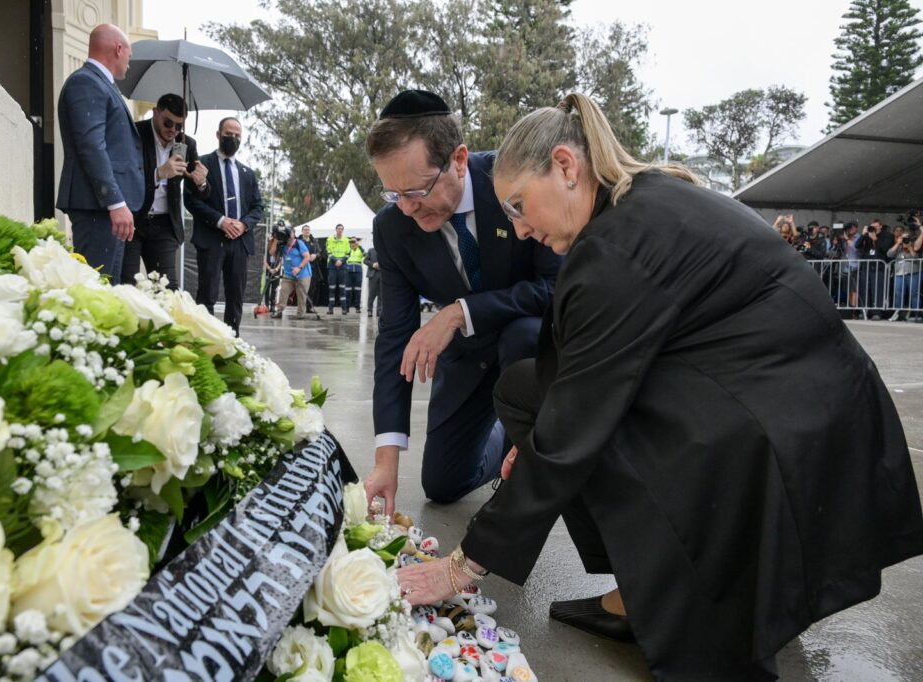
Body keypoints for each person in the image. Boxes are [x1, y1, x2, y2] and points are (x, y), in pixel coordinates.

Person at [396, 93, 923, 681]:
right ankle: (638, 587)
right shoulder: (637, 205)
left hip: (782, 424)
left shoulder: (615, 246)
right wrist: (544, 431)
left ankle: (694, 603)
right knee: (527, 392)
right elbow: (570, 375)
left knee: (567, 421)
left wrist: (464, 566)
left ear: (567, 167)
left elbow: (573, 426)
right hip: (793, 396)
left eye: (520, 205)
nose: (519, 230)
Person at [363, 89, 561, 513]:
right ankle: (500, 435)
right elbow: (395, 337)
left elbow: (553, 286)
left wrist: (459, 312)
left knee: (522, 334)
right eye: (393, 194)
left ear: (457, 159)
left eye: (416, 191)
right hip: (469, 357)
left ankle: (529, 455)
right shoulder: (392, 228)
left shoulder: (511, 182)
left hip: (530, 344)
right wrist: (385, 459)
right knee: (442, 482)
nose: (407, 209)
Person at [55, 23, 144, 284]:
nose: (129, 62)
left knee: (106, 288)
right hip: (97, 207)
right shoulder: (86, 82)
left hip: (103, 209)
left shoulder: (100, 85)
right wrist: (115, 203)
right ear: (118, 49)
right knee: (95, 288)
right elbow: (92, 146)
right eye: (129, 54)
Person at [122, 93, 210, 290]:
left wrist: (201, 182)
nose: (173, 130)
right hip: (133, 218)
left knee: (167, 289)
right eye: (168, 123)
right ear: (155, 113)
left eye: (179, 125)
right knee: (127, 285)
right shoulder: (135, 133)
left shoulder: (187, 144)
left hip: (164, 224)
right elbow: (124, 177)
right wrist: (159, 173)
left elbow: (200, 194)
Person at [185, 117, 264, 332]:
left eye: (238, 136)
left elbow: (258, 206)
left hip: (240, 243)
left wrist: (243, 225)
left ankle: (232, 343)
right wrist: (221, 222)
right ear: (218, 134)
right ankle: (206, 339)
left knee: (235, 297)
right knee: (207, 296)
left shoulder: (247, 173)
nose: (233, 138)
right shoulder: (202, 164)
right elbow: (190, 200)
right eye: (229, 134)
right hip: (211, 240)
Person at [272, 226, 319, 320]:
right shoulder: (283, 244)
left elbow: (307, 257)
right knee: (283, 292)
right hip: (288, 274)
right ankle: (279, 311)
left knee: (301, 295)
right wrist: (275, 239)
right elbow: (272, 253)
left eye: (292, 233)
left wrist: (299, 267)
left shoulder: (299, 243)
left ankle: (300, 314)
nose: (290, 236)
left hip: (303, 274)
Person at [325, 224, 350, 314]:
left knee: (342, 288)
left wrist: (341, 261)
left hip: (342, 265)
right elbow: (328, 252)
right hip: (332, 265)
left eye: (341, 229)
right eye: (338, 229)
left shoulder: (346, 240)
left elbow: (348, 253)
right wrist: (336, 260)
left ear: (343, 230)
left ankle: (344, 308)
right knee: (332, 288)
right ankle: (330, 308)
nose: (340, 230)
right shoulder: (330, 239)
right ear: (336, 229)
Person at [300, 225, 322, 313]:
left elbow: (320, 253)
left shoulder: (314, 241)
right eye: (305, 230)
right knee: (303, 288)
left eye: (308, 230)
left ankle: (309, 307)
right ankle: (301, 307)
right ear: (302, 231)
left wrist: (315, 255)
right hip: (303, 267)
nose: (307, 231)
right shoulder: (299, 241)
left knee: (312, 287)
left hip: (313, 267)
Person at [263, 236, 283, 313]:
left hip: (276, 271)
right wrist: (269, 269)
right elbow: (264, 260)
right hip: (268, 271)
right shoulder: (267, 249)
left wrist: (277, 269)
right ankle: (266, 305)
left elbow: (281, 260)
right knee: (267, 289)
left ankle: (272, 306)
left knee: (275, 289)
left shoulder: (279, 250)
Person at [346, 237, 365, 313]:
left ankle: (357, 307)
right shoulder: (348, 250)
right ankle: (347, 307)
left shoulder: (360, 249)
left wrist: (359, 245)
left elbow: (366, 255)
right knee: (348, 290)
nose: (353, 243)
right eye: (351, 242)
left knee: (358, 290)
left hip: (358, 272)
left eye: (354, 242)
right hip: (348, 272)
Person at [364, 244, 382, 318]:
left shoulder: (385, 250)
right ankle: (369, 310)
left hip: (382, 274)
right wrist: (373, 264)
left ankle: (379, 311)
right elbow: (365, 260)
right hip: (372, 274)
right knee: (372, 293)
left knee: (381, 293)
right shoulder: (371, 250)